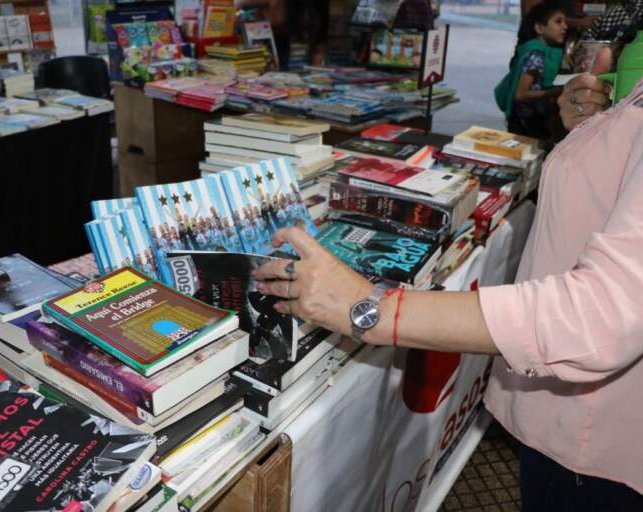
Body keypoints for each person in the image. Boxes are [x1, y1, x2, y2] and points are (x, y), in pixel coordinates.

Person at [254, 56, 643, 508]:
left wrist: (368, 306)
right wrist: (598, 130)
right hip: (572, 416)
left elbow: (599, 318)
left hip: (599, 445)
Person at [495, 3, 567, 138]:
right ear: (540, 28)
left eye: (565, 22)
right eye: (558, 22)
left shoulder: (549, 52)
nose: (565, 27)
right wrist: (553, 92)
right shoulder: (536, 55)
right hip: (526, 121)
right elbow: (520, 94)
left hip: (533, 119)